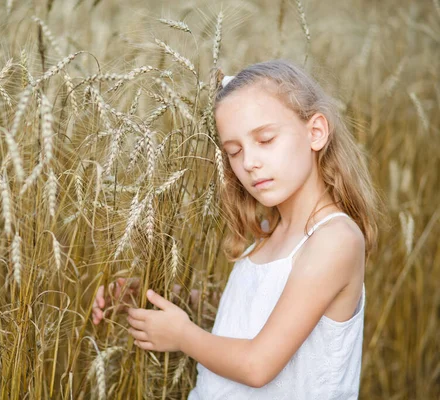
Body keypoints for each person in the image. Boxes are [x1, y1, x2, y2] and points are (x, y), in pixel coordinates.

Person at [92, 59, 381, 399]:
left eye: (266, 139)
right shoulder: (268, 230)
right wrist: (160, 297)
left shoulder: (334, 241)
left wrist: (183, 335)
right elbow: (257, 309)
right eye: (234, 151)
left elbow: (258, 366)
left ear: (315, 132)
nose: (249, 162)